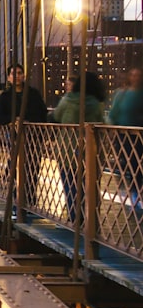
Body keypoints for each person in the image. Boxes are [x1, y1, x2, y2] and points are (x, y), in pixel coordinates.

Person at [49, 72, 106, 222]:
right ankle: (90, 220)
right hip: (90, 150)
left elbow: (56, 117)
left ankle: (75, 217)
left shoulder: (67, 100)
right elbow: (102, 121)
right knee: (89, 186)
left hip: (67, 149)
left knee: (70, 185)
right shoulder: (96, 104)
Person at [0, 64, 48, 215]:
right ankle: (16, 203)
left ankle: (30, 204)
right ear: (9, 78)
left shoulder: (33, 94)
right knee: (16, 170)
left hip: (33, 138)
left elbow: (42, 114)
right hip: (16, 138)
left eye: (19, 73)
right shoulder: (5, 97)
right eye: (13, 74)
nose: (17, 76)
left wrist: (31, 123)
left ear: (24, 75)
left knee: (32, 170)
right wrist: (13, 120)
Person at [106, 67, 143, 209]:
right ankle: (134, 188)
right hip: (124, 133)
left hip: (138, 133)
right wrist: (111, 128)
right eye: (133, 75)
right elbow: (114, 112)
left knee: (135, 162)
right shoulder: (121, 94)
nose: (136, 78)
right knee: (130, 161)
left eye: (138, 75)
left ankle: (135, 188)